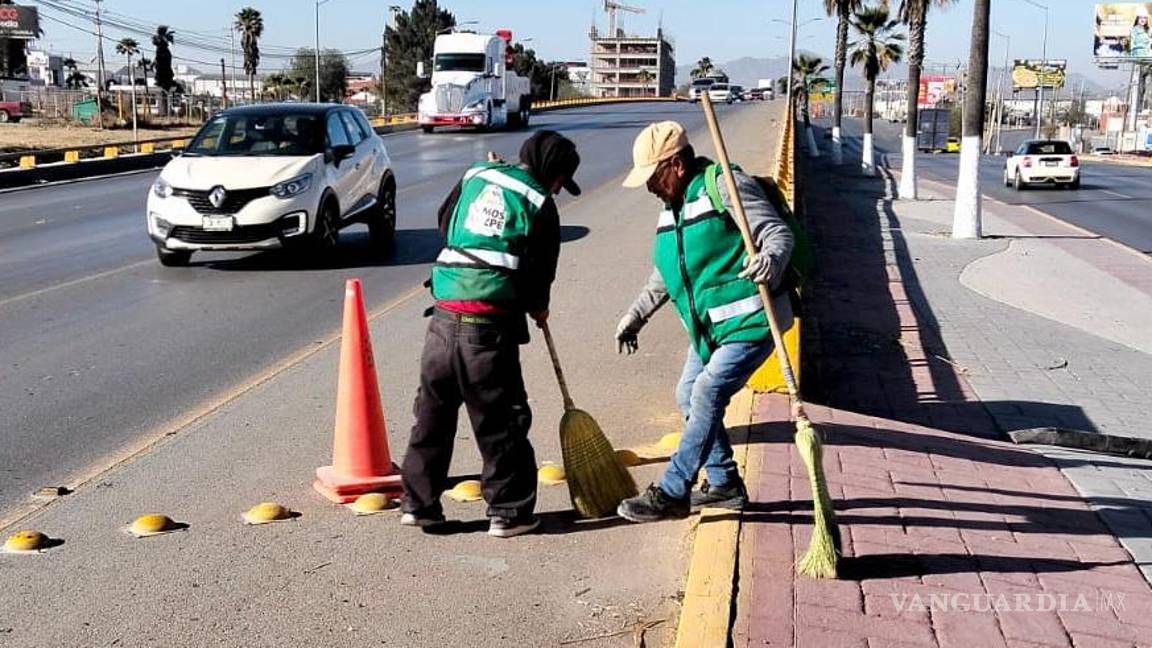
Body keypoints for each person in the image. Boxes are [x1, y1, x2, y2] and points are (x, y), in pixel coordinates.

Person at [400, 130, 581, 538]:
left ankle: (418, 504)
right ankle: (510, 512)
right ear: (552, 174)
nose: (557, 190)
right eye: (559, 182)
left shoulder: (477, 174)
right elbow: (539, 270)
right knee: (502, 420)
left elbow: (447, 222)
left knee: (432, 415)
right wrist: (538, 305)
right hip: (487, 329)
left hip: (443, 320)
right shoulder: (539, 203)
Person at [614, 121, 794, 523]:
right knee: (687, 393)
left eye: (653, 176)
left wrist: (771, 260)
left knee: (708, 392)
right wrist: (635, 315)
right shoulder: (671, 209)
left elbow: (777, 234)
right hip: (711, 331)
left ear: (676, 165)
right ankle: (724, 482)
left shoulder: (725, 186)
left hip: (751, 320)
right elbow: (666, 273)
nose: (649, 187)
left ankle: (673, 489)